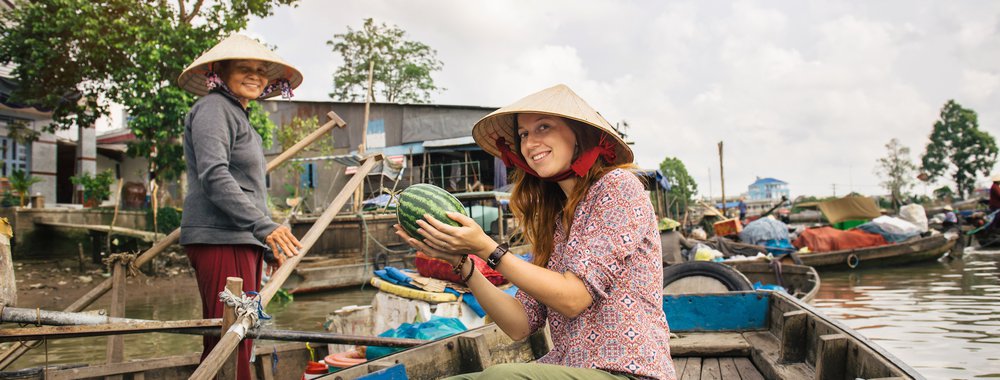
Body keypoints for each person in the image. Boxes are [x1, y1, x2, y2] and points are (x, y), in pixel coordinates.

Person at [395, 84, 676, 379]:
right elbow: (519, 324)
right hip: (572, 369)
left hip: (630, 372)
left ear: (579, 135)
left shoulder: (618, 186)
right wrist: (462, 262)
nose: (530, 143)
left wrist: (485, 247)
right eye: (524, 134)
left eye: (544, 127)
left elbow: (574, 298)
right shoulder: (555, 223)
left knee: (497, 377)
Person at [177, 34, 304, 380]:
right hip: (220, 239)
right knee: (229, 341)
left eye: (261, 71)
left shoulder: (239, 115)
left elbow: (246, 190)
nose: (255, 76)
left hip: (239, 239)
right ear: (220, 71)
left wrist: (265, 246)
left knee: (238, 336)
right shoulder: (213, 109)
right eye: (244, 68)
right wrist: (267, 228)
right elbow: (214, 175)